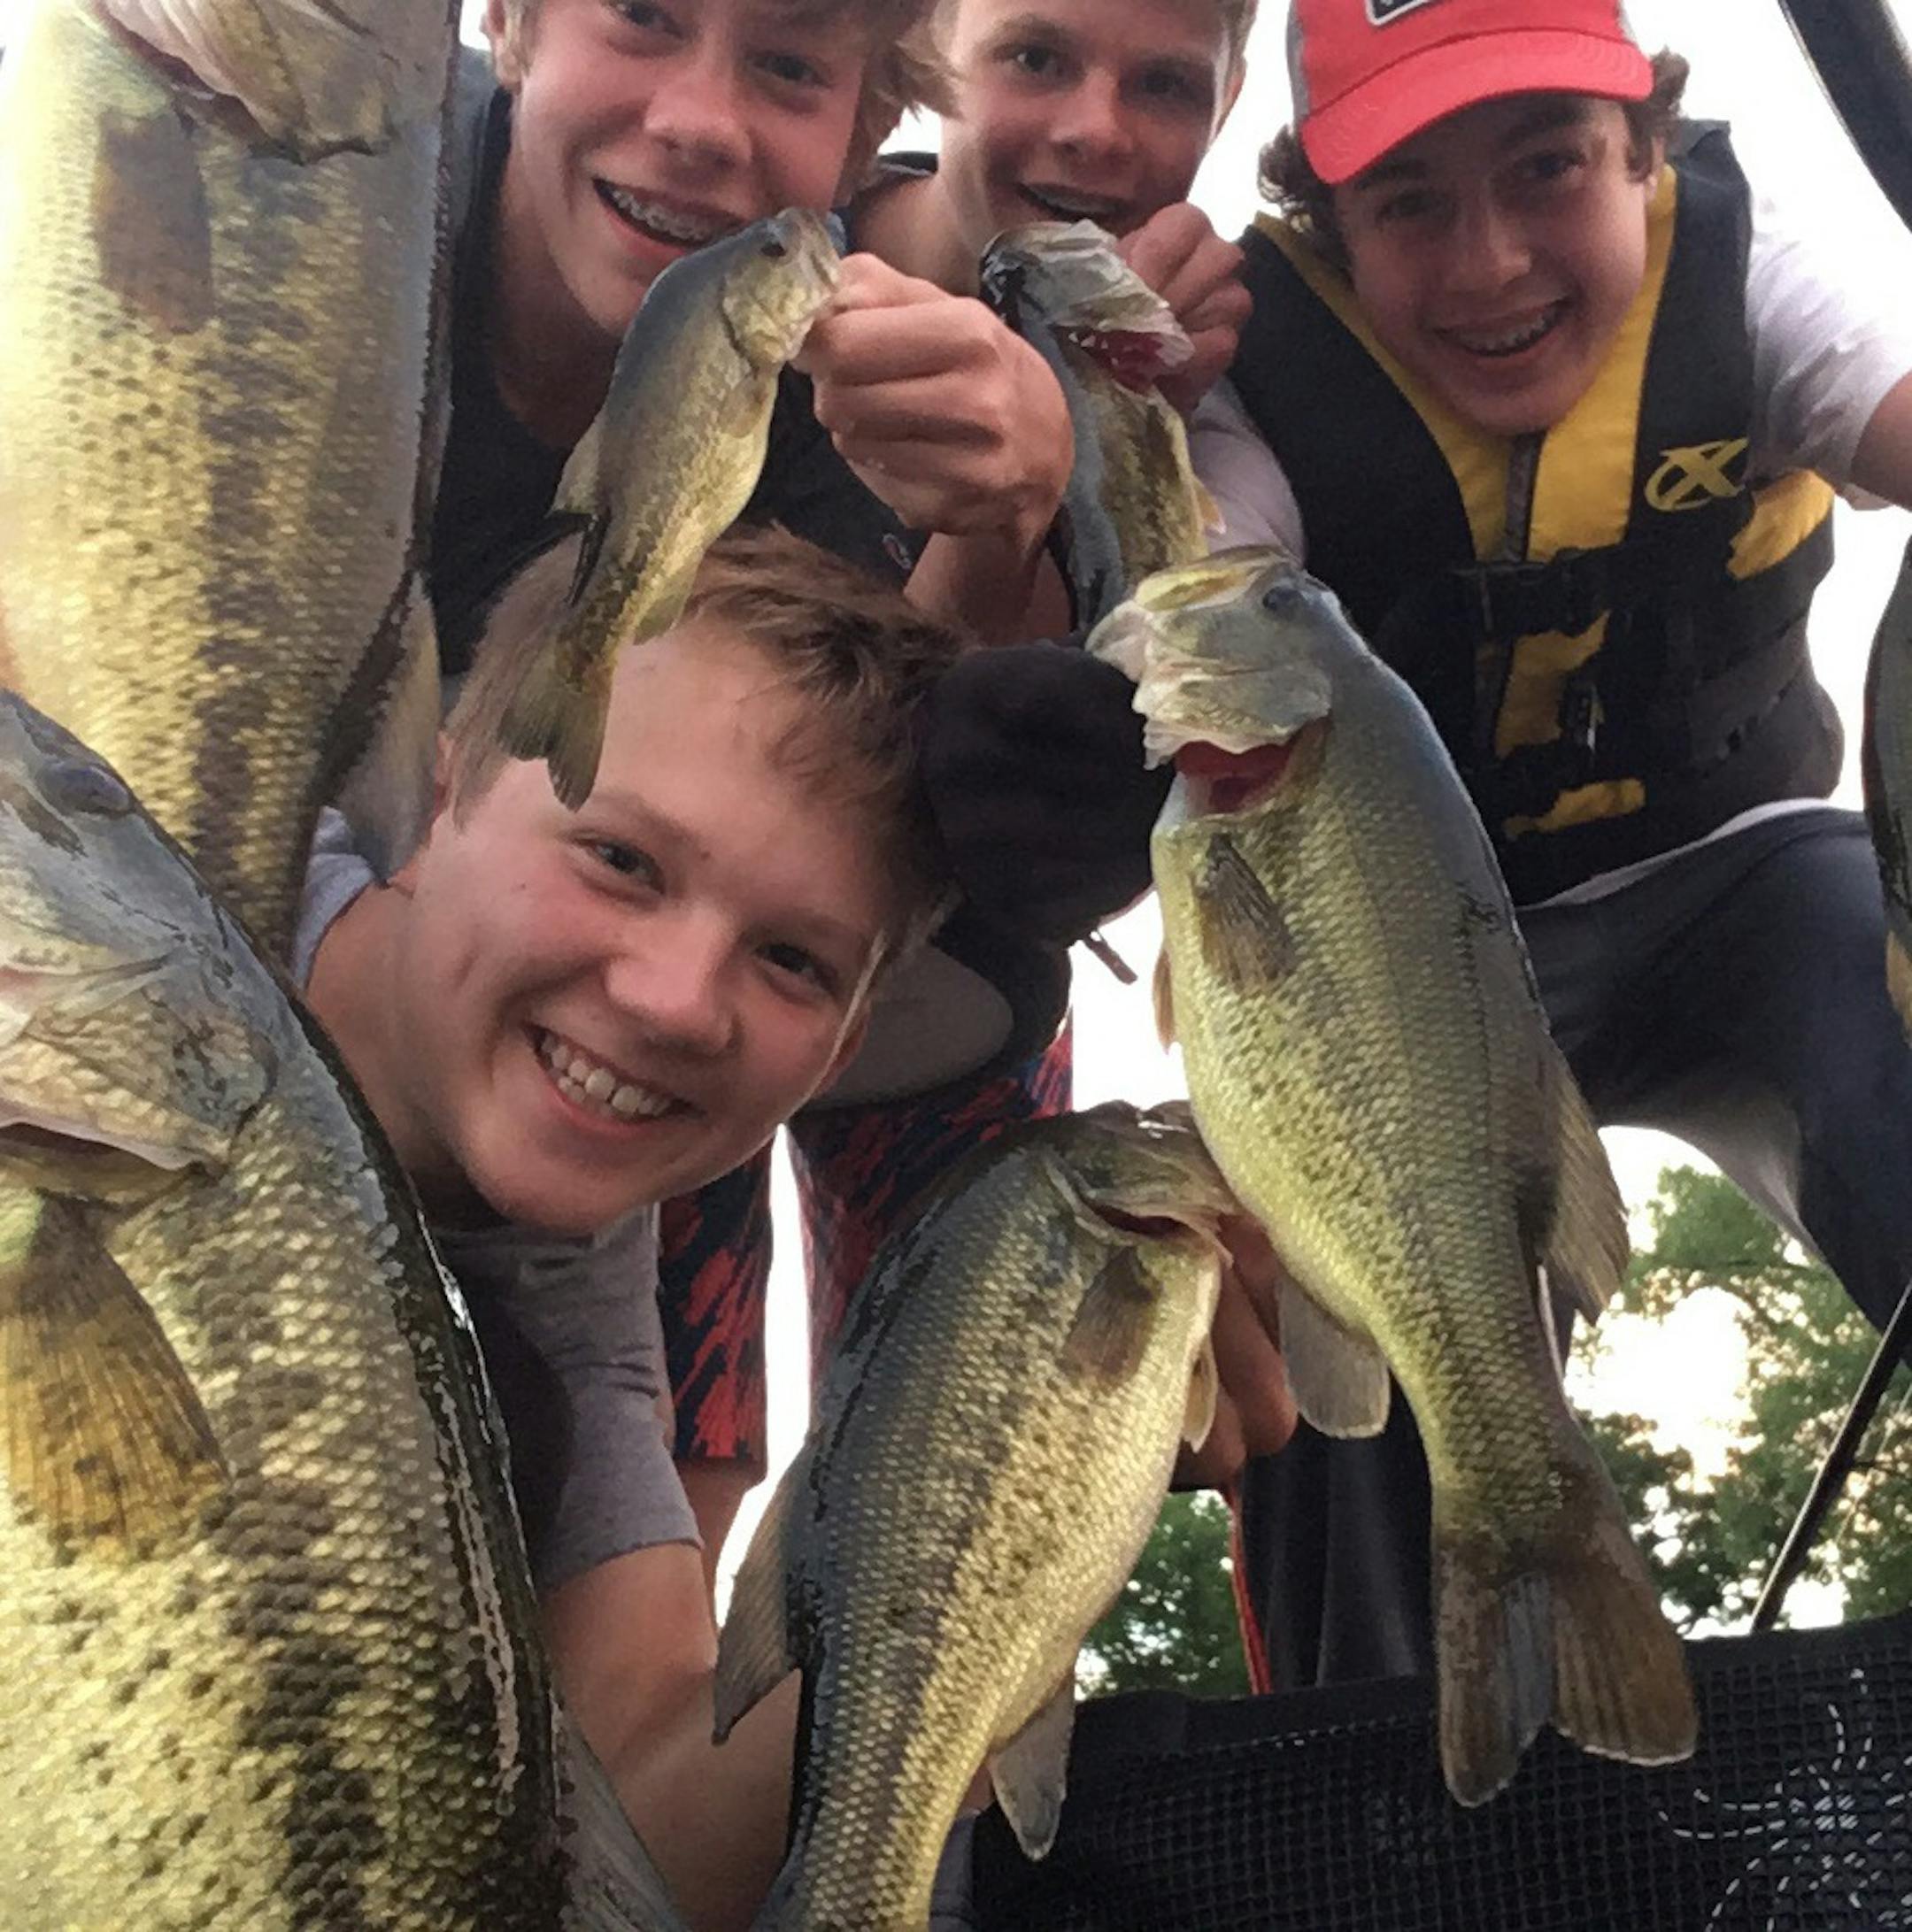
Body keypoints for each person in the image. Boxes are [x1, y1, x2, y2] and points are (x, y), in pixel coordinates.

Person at [1175, 0, 1912, 1691]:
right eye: (1409, 201)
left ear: (1643, 149)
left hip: (1743, 883)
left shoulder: (1754, 275)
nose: (1492, 260)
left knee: (1893, 1037)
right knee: (1326, 1281)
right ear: (1322, 224)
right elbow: (1210, 619)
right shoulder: (1252, 378)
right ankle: (1371, 1760)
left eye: (1549, 167)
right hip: (1414, 964)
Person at [664, 0, 1271, 1576]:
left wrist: (1109, 432)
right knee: (672, 1472)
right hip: (670, 929)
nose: (1096, 128)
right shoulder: (748, 240)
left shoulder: (1187, 355)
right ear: (933, 50)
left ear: (1230, 103)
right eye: (1036, 57)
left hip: (955, 982)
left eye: (1165, 84)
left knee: (973, 1499)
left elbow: (1212, 690)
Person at [301, 530, 967, 1931]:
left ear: (842, 1048)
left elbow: (638, 1809)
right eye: (620, 858)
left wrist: (956, 1575)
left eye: (792, 960)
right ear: (439, 795)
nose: (675, 1000)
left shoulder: (569, 1288)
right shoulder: (130, 883)